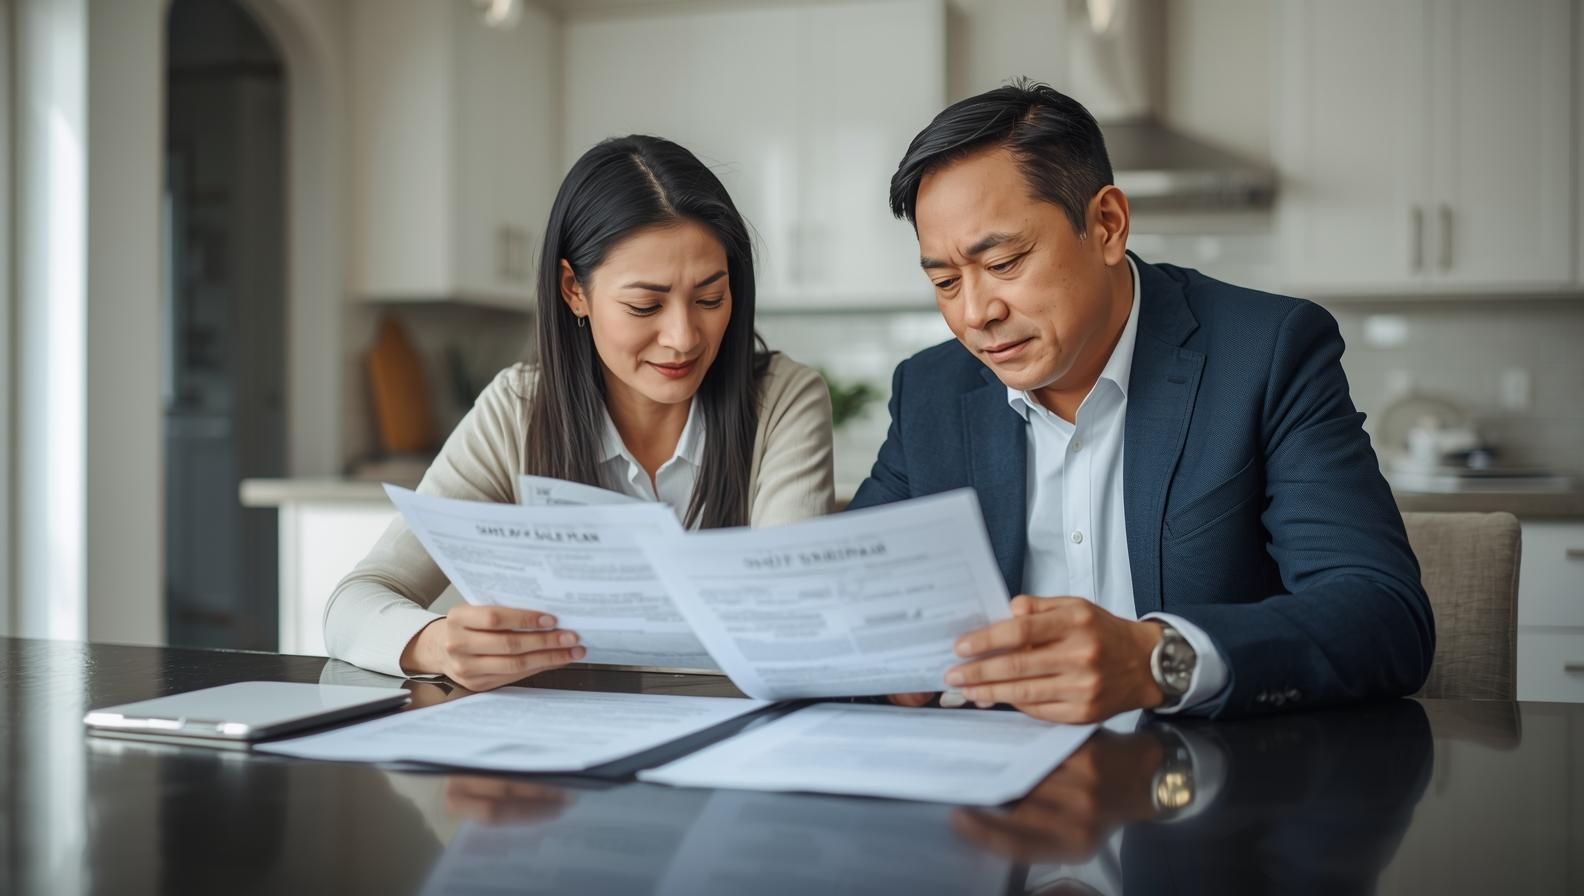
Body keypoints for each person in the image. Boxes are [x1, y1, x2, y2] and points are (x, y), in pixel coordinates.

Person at [851, 81, 1433, 722]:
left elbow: (1382, 615)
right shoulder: (931, 391)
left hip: (1217, 771)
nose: (974, 314)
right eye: (944, 280)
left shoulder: (1266, 354)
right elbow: (849, 600)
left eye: (1006, 263)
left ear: (1107, 225)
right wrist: (875, 664)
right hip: (999, 770)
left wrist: (1157, 658)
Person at [326, 135, 835, 688]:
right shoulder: (517, 410)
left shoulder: (782, 400)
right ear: (574, 290)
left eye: (710, 299)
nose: (684, 337)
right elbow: (353, 603)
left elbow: (790, 618)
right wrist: (436, 643)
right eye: (645, 305)